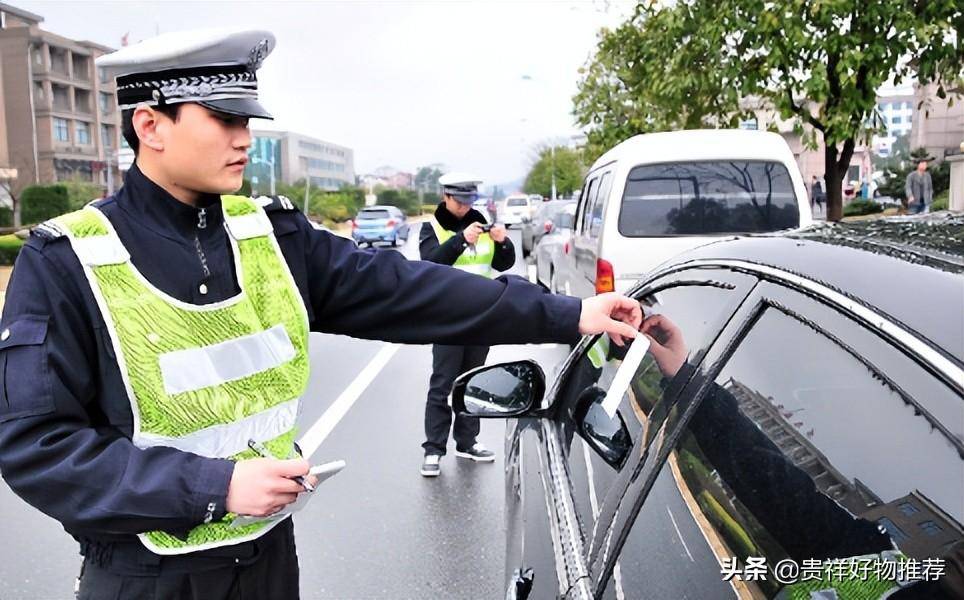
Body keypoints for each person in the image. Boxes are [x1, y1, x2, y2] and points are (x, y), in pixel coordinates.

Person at [0, 29, 641, 599]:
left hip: (269, 561)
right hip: (145, 579)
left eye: (248, 119)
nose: (244, 138)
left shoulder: (269, 236)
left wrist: (570, 313)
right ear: (149, 126)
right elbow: (37, 448)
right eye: (223, 119)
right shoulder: (68, 262)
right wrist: (212, 486)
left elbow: (409, 291)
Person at [417, 173, 512, 476]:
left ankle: (468, 442)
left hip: (480, 316)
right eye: (460, 201)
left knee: (473, 381)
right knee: (443, 383)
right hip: (446, 317)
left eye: (470, 200)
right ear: (446, 196)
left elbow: (502, 264)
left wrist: (503, 242)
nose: (465, 206)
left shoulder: (482, 224)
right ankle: (433, 449)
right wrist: (460, 240)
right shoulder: (431, 227)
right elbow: (430, 263)